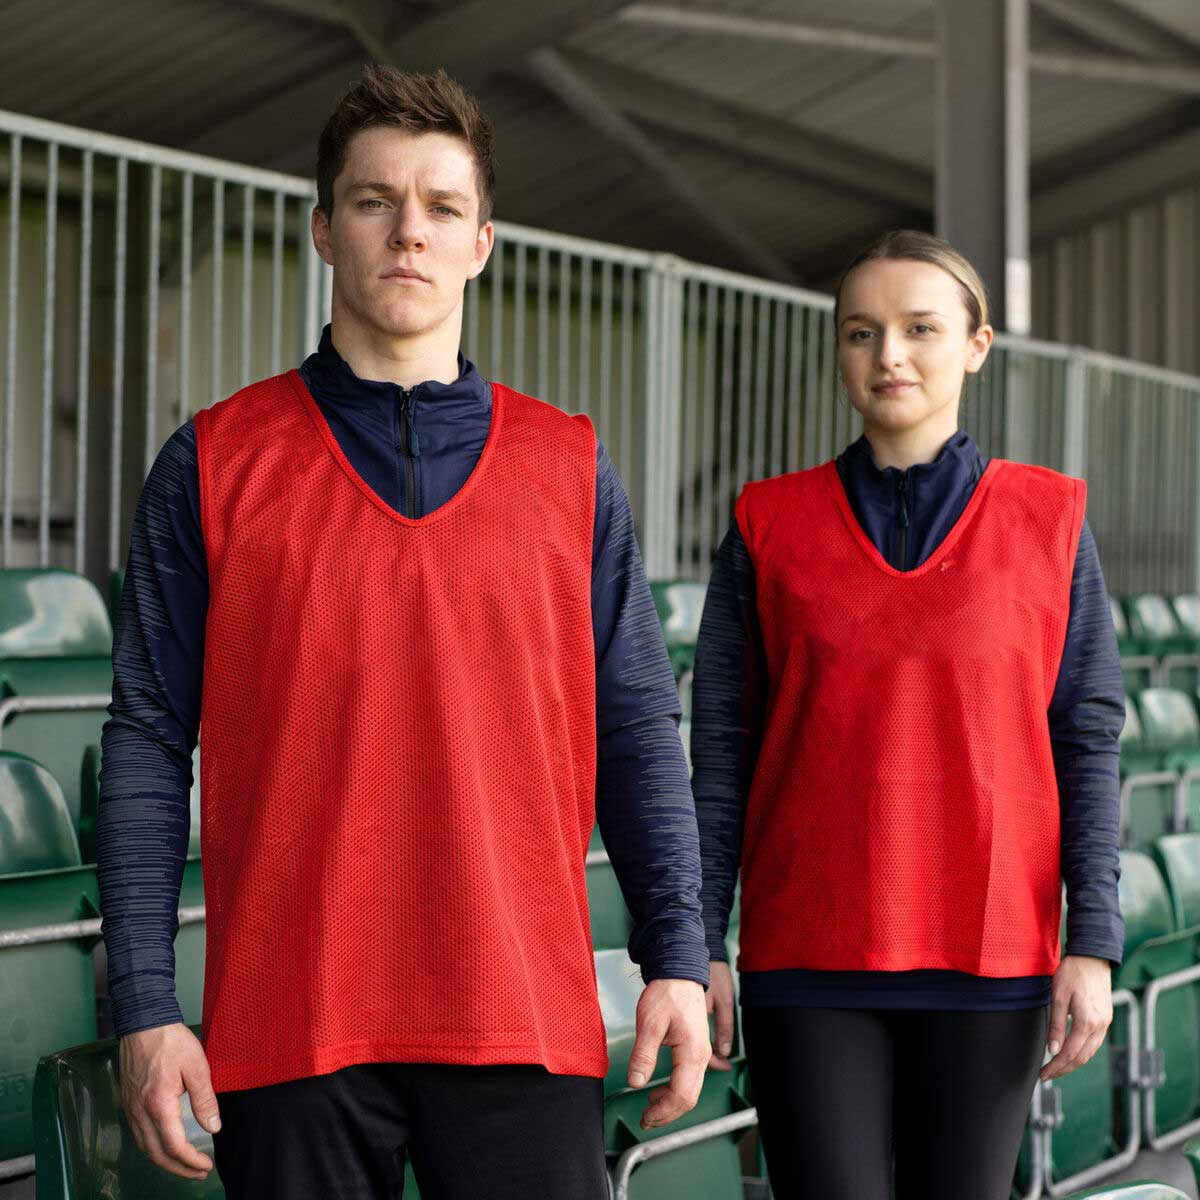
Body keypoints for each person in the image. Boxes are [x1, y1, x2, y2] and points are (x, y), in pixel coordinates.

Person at [97, 64, 711, 1200]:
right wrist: (142, 1001)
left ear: (482, 243)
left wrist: (677, 953)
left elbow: (635, 726)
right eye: (375, 201)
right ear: (325, 230)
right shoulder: (214, 463)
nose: (408, 232)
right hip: (291, 1019)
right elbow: (144, 737)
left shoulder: (571, 468)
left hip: (521, 1009)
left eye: (441, 206)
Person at [691, 229, 1124, 1200]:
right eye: (862, 332)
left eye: (920, 329)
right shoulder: (767, 524)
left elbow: (1087, 741)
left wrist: (1093, 942)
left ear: (976, 345)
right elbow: (722, 751)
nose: (889, 354)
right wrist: (698, 942)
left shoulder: (1049, 521)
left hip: (992, 957)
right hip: (809, 956)